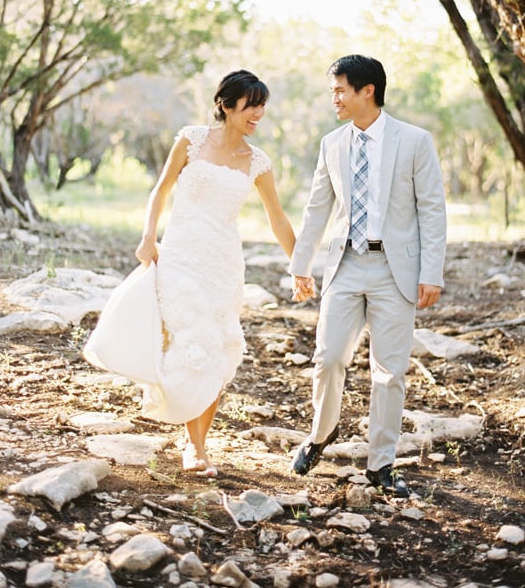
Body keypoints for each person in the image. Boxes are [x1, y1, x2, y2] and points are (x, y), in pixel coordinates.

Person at [289, 54, 446, 497]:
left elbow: (431, 208)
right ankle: (321, 434)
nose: (334, 98)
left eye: (340, 90)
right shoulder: (331, 144)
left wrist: (431, 272)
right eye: (333, 91)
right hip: (345, 265)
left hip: (396, 270)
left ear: (367, 91)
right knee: (328, 357)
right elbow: (318, 207)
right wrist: (301, 265)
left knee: (389, 371)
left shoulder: (414, 141)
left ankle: (381, 464)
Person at [133, 69, 296, 477]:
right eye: (251, 105)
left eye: (262, 106)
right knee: (192, 342)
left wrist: (300, 266)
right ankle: (193, 440)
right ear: (226, 104)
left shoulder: (258, 161)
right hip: (182, 257)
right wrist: (149, 237)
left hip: (223, 263)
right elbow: (161, 189)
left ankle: (197, 444)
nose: (258, 113)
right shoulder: (191, 139)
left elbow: (277, 219)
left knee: (219, 350)